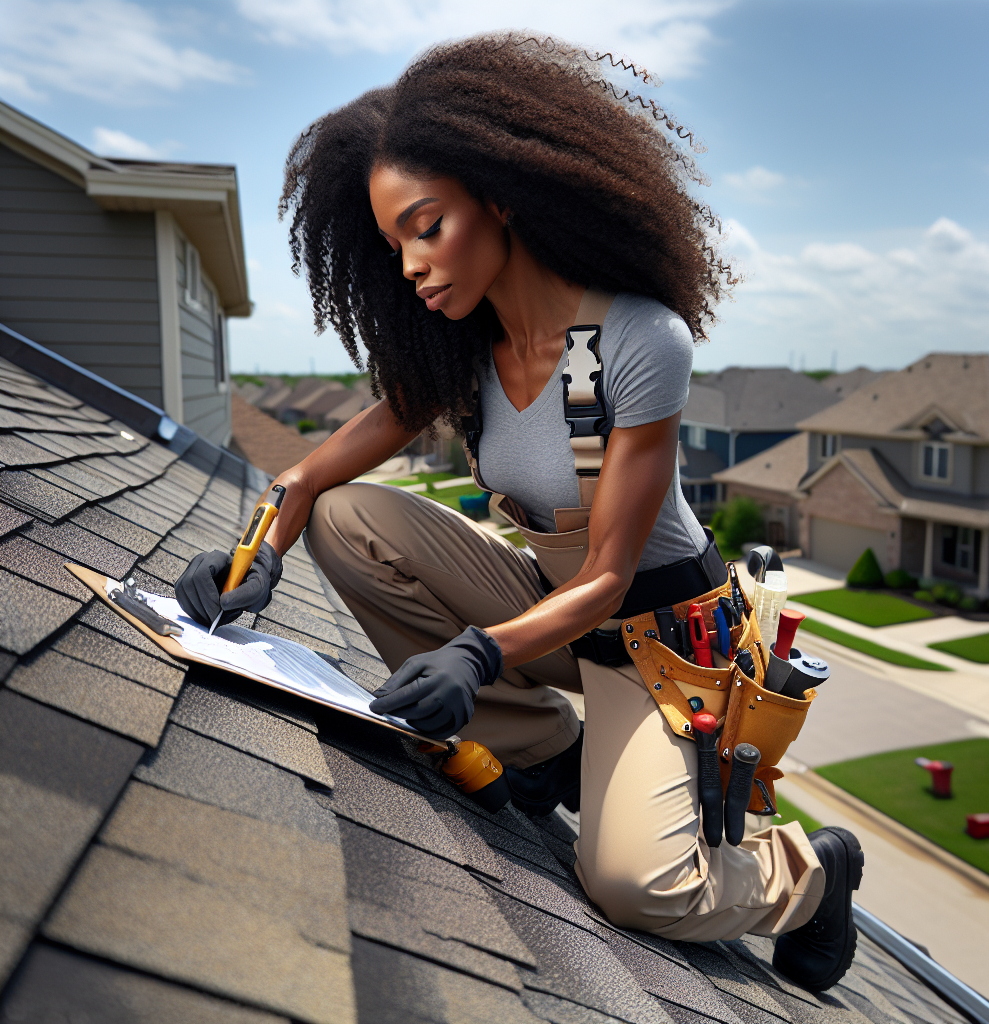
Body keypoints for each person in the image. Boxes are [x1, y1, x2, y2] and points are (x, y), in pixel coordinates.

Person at [175, 34, 862, 991]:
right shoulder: (465, 350)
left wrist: (476, 655)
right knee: (344, 519)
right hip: (549, 612)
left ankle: (811, 875)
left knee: (634, 886)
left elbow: (610, 578)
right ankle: (543, 749)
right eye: (395, 248)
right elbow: (313, 473)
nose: (412, 266)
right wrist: (259, 549)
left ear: (498, 196)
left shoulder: (632, 341)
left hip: (660, 645)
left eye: (426, 228)